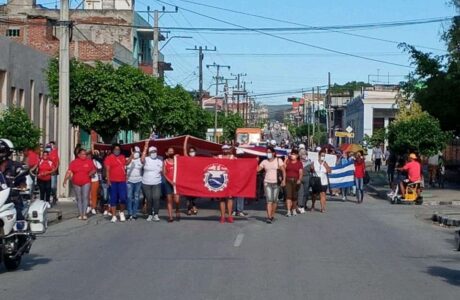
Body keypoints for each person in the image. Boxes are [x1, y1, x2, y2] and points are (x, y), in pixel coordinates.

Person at [63, 149, 96, 220]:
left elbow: (94, 169)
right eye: (83, 154)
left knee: (85, 197)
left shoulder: (89, 161)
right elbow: (69, 171)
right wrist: (65, 180)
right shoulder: (74, 162)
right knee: (78, 198)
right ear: (79, 155)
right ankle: (80, 214)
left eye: (85, 154)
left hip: (86, 181)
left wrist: (90, 173)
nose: (84, 156)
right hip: (76, 182)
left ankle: (84, 214)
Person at [0, 139, 28, 220]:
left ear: (8, 152)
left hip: (12, 201)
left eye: (1, 150)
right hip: (0, 200)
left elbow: (22, 181)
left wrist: (22, 186)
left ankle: (20, 231)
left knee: (18, 218)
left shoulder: (15, 166)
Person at [104, 144, 132, 223]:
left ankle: (121, 212)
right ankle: (113, 216)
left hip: (122, 181)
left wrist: (131, 156)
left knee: (123, 197)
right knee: (113, 198)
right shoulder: (109, 158)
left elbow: (126, 163)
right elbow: (107, 170)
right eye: (116, 149)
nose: (117, 151)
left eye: (118, 149)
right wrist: (108, 180)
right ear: (113, 150)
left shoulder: (122, 157)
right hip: (113, 181)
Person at [258, 146, 285, 223]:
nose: (268, 153)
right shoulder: (264, 162)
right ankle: (269, 217)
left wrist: (284, 180)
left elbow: (283, 171)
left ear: (273, 153)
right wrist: (255, 161)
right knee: (269, 200)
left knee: (275, 201)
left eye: (270, 152)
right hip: (267, 182)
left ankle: (272, 215)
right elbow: (257, 169)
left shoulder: (278, 160)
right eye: (267, 152)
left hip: (276, 183)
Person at [141, 142, 163, 222]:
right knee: (149, 199)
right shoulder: (146, 159)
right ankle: (150, 214)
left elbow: (163, 171)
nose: (154, 153)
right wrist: (146, 146)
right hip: (146, 183)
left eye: (155, 151)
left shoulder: (160, 160)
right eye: (152, 152)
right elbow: (142, 159)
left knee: (156, 198)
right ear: (149, 153)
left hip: (157, 182)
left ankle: (156, 214)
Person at [216, 145, 235, 223]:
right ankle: (223, 216)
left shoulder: (232, 157)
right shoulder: (219, 157)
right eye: (224, 149)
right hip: (221, 180)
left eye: (226, 149)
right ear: (222, 150)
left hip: (230, 180)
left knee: (230, 198)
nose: (225, 150)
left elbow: (240, 164)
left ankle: (230, 216)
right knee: (222, 199)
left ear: (229, 150)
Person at [284, 149, 303, 217]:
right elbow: (283, 169)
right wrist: (285, 161)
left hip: (295, 181)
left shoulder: (299, 163)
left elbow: (300, 173)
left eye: (294, 154)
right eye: (292, 154)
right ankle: (288, 210)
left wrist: (299, 179)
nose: (292, 155)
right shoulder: (288, 162)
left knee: (294, 197)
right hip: (288, 180)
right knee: (288, 196)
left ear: (297, 156)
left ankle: (294, 209)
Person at [163, 147, 180, 223]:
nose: (171, 152)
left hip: (176, 183)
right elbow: (164, 173)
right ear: (167, 153)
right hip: (168, 183)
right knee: (169, 200)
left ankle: (177, 209)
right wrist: (170, 181)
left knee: (177, 200)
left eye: (172, 151)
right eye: (169, 151)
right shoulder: (165, 161)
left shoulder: (177, 161)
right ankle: (170, 216)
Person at [126, 146, 143, 220]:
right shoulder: (128, 159)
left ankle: (134, 213)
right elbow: (126, 164)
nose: (136, 153)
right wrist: (131, 156)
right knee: (129, 197)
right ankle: (129, 213)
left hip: (138, 181)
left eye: (137, 152)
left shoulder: (141, 160)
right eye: (135, 152)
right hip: (129, 181)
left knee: (136, 197)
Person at [297, 148, 312, 213]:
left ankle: (303, 205)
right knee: (300, 192)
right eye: (302, 154)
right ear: (300, 155)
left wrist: (312, 166)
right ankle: (300, 206)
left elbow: (312, 170)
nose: (304, 155)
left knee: (306, 193)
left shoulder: (309, 162)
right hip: (300, 178)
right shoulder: (298, 162)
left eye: (305, 154)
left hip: (307, 178)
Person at [186, 147, 198, 216]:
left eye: (193, 151)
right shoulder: (187, 159)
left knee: (193, 196)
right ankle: (189, 209)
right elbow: (185, 150)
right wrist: (186, 140)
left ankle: (193, 207)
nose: (191, 152)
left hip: (195, 181)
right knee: (188, 196)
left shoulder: (197, 160)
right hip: (187, 180)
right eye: (190, 151)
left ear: (195, 152)